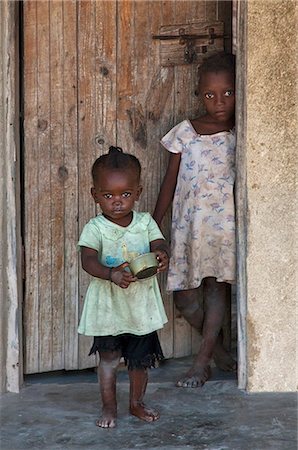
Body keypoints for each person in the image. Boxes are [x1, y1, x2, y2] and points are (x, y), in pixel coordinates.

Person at [153, 52, 237, 388]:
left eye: (228, 93)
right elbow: (169, 181)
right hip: (188, 227)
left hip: (224, 228)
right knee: (185, 297)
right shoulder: (184, 133)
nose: (219, 102)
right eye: (210, 95)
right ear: (198, 94)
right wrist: (152, 223)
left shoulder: (240, 133)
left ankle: (202, 362)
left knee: (216, 288)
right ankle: (216, 349)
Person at [78, 146, 169, 428]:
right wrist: (110, 274)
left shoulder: (145, 222)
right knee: (109, 358)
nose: (117, 202)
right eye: (108, 195)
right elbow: (88, 260)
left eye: (125, 194)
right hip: (109, 306)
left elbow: (158, 244)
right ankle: (109, 407)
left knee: (139, 362)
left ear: (138, 193)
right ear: (95, 195)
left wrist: (162, 254)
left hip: (140, 306)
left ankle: (136, 403)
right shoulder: (96, 228)